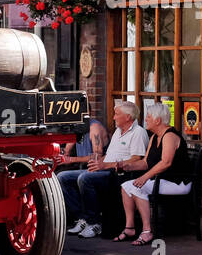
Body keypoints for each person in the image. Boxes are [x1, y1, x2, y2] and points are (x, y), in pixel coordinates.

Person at [58, 102, 149, 238]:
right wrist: (98, 164)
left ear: (128, 117)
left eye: (117, 114)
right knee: (63, 177)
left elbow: (137, 159)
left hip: (118, 173)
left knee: (85, 179)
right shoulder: (119, 131)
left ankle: (94, 222)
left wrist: (104, 165)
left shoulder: (138, 132)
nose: (113, 118)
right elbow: (108, 155)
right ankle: (82, 218)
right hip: (105, 168)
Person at [116, 103, 192, 245]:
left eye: (149, 117)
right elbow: (145, 162)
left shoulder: (169, 136)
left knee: (138, 187)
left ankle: (147, 231)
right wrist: (127, 166)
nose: (146, 120)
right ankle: (130, 227)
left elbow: (166, 162)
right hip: (162, 180)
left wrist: (145, 177)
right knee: (126, 186)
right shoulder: (154, 137)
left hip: (177, 182)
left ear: (158, 120)